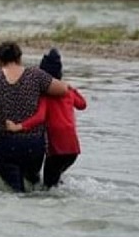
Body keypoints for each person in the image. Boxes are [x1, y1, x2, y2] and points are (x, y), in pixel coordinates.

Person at [0, 41, 69, 192]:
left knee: (15, 191)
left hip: (6, 142)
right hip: (34, 143)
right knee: (34, 185)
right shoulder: (35, 75)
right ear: (19, 58)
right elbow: (63, 89)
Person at [5, 48, 87, 188]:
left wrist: (18, 126)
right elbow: (82, 104)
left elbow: (40, 117)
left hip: (57, 149)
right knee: (54, 179)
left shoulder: (45, 95)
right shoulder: (67, 91)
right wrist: (71, 88)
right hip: (73, 149)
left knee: (47, 186)